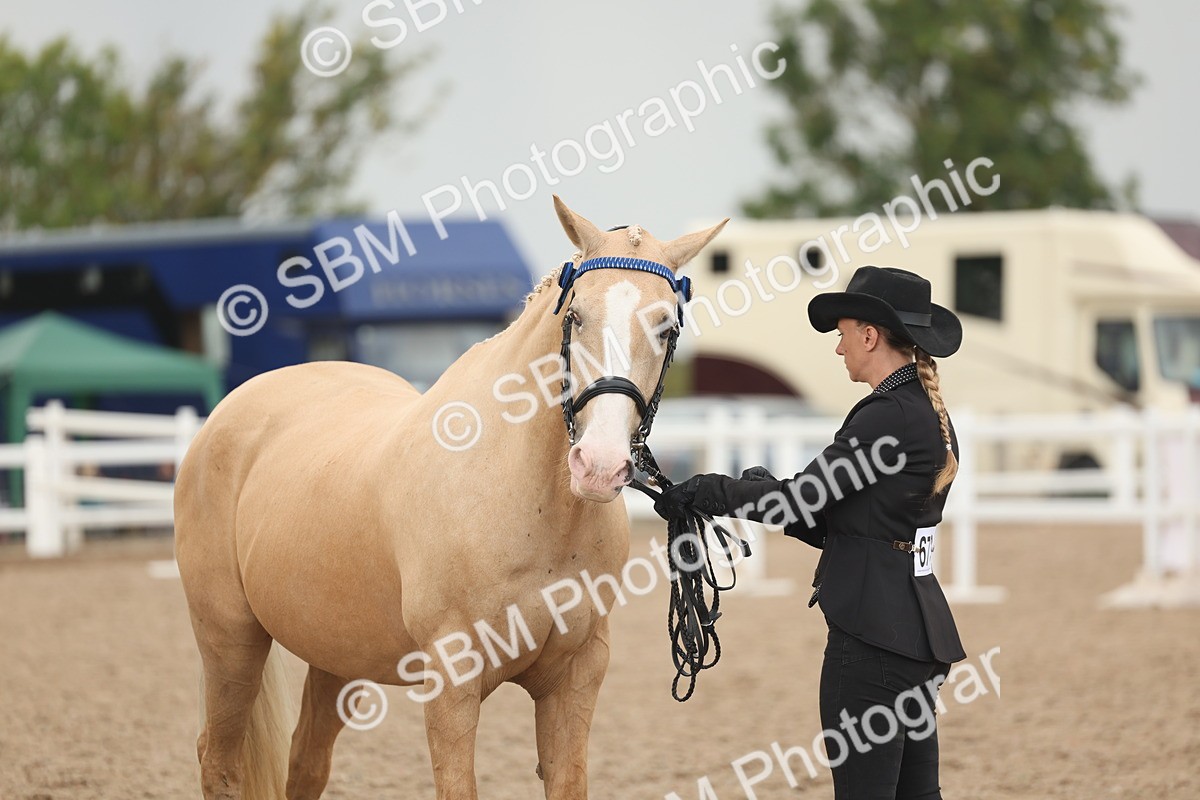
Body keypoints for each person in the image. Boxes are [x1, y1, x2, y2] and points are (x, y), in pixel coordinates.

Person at [656, 266, 967, 800]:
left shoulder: (885, 417)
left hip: (871, 637)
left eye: (844, 333)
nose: (839, 347)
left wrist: (712, 490)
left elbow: (804, 499)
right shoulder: (922, 411)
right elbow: (846, 526)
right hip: (913, 630)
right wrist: (758, 491)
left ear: (870, 336)